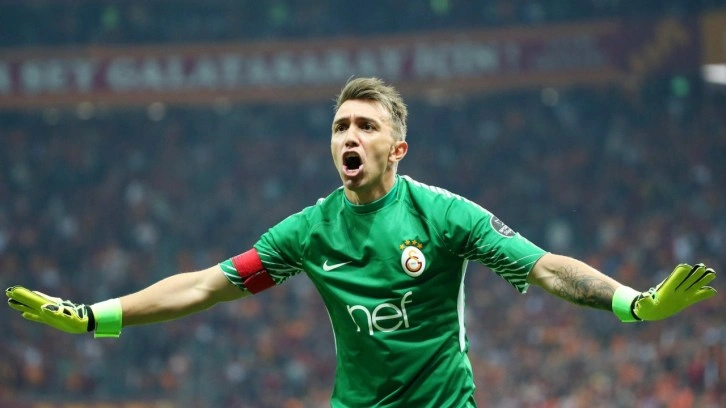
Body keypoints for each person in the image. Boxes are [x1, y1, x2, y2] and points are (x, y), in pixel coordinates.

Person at [6, 77, 718, 407]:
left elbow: (545, 268)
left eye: (366, 126)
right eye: (341, 126)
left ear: (397, 148)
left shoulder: (444, 215)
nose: (350, 135)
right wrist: (93, 317)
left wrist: (634, 305)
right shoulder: (307, 232)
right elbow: (204, 285)